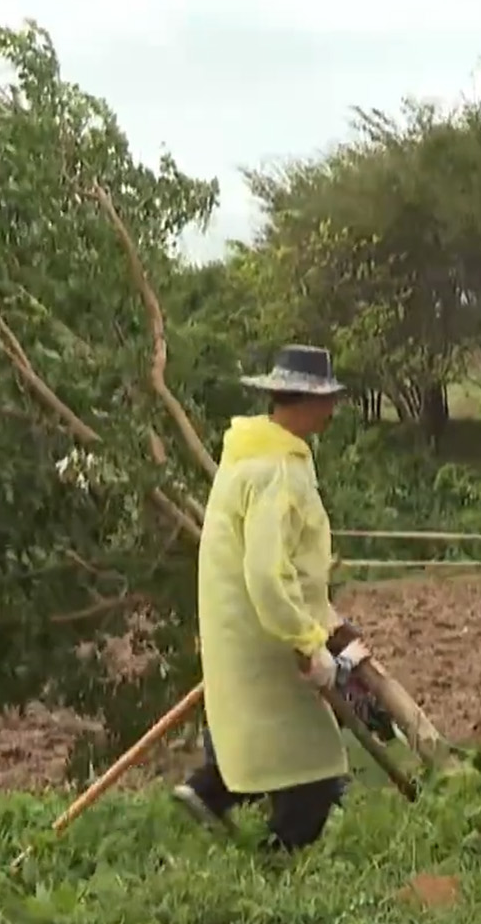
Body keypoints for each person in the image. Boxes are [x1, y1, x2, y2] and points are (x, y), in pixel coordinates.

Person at [170, 345, 367, 852]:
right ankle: (276, 860)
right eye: (327, 400)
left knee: (267, 745)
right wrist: (307, 641)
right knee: (315, 767)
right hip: (270, 636)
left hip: (242, 632)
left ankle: (211, 790)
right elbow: (265, 572)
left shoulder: (245, 460)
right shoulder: (278, 470)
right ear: (306, 401)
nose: (331, 410)